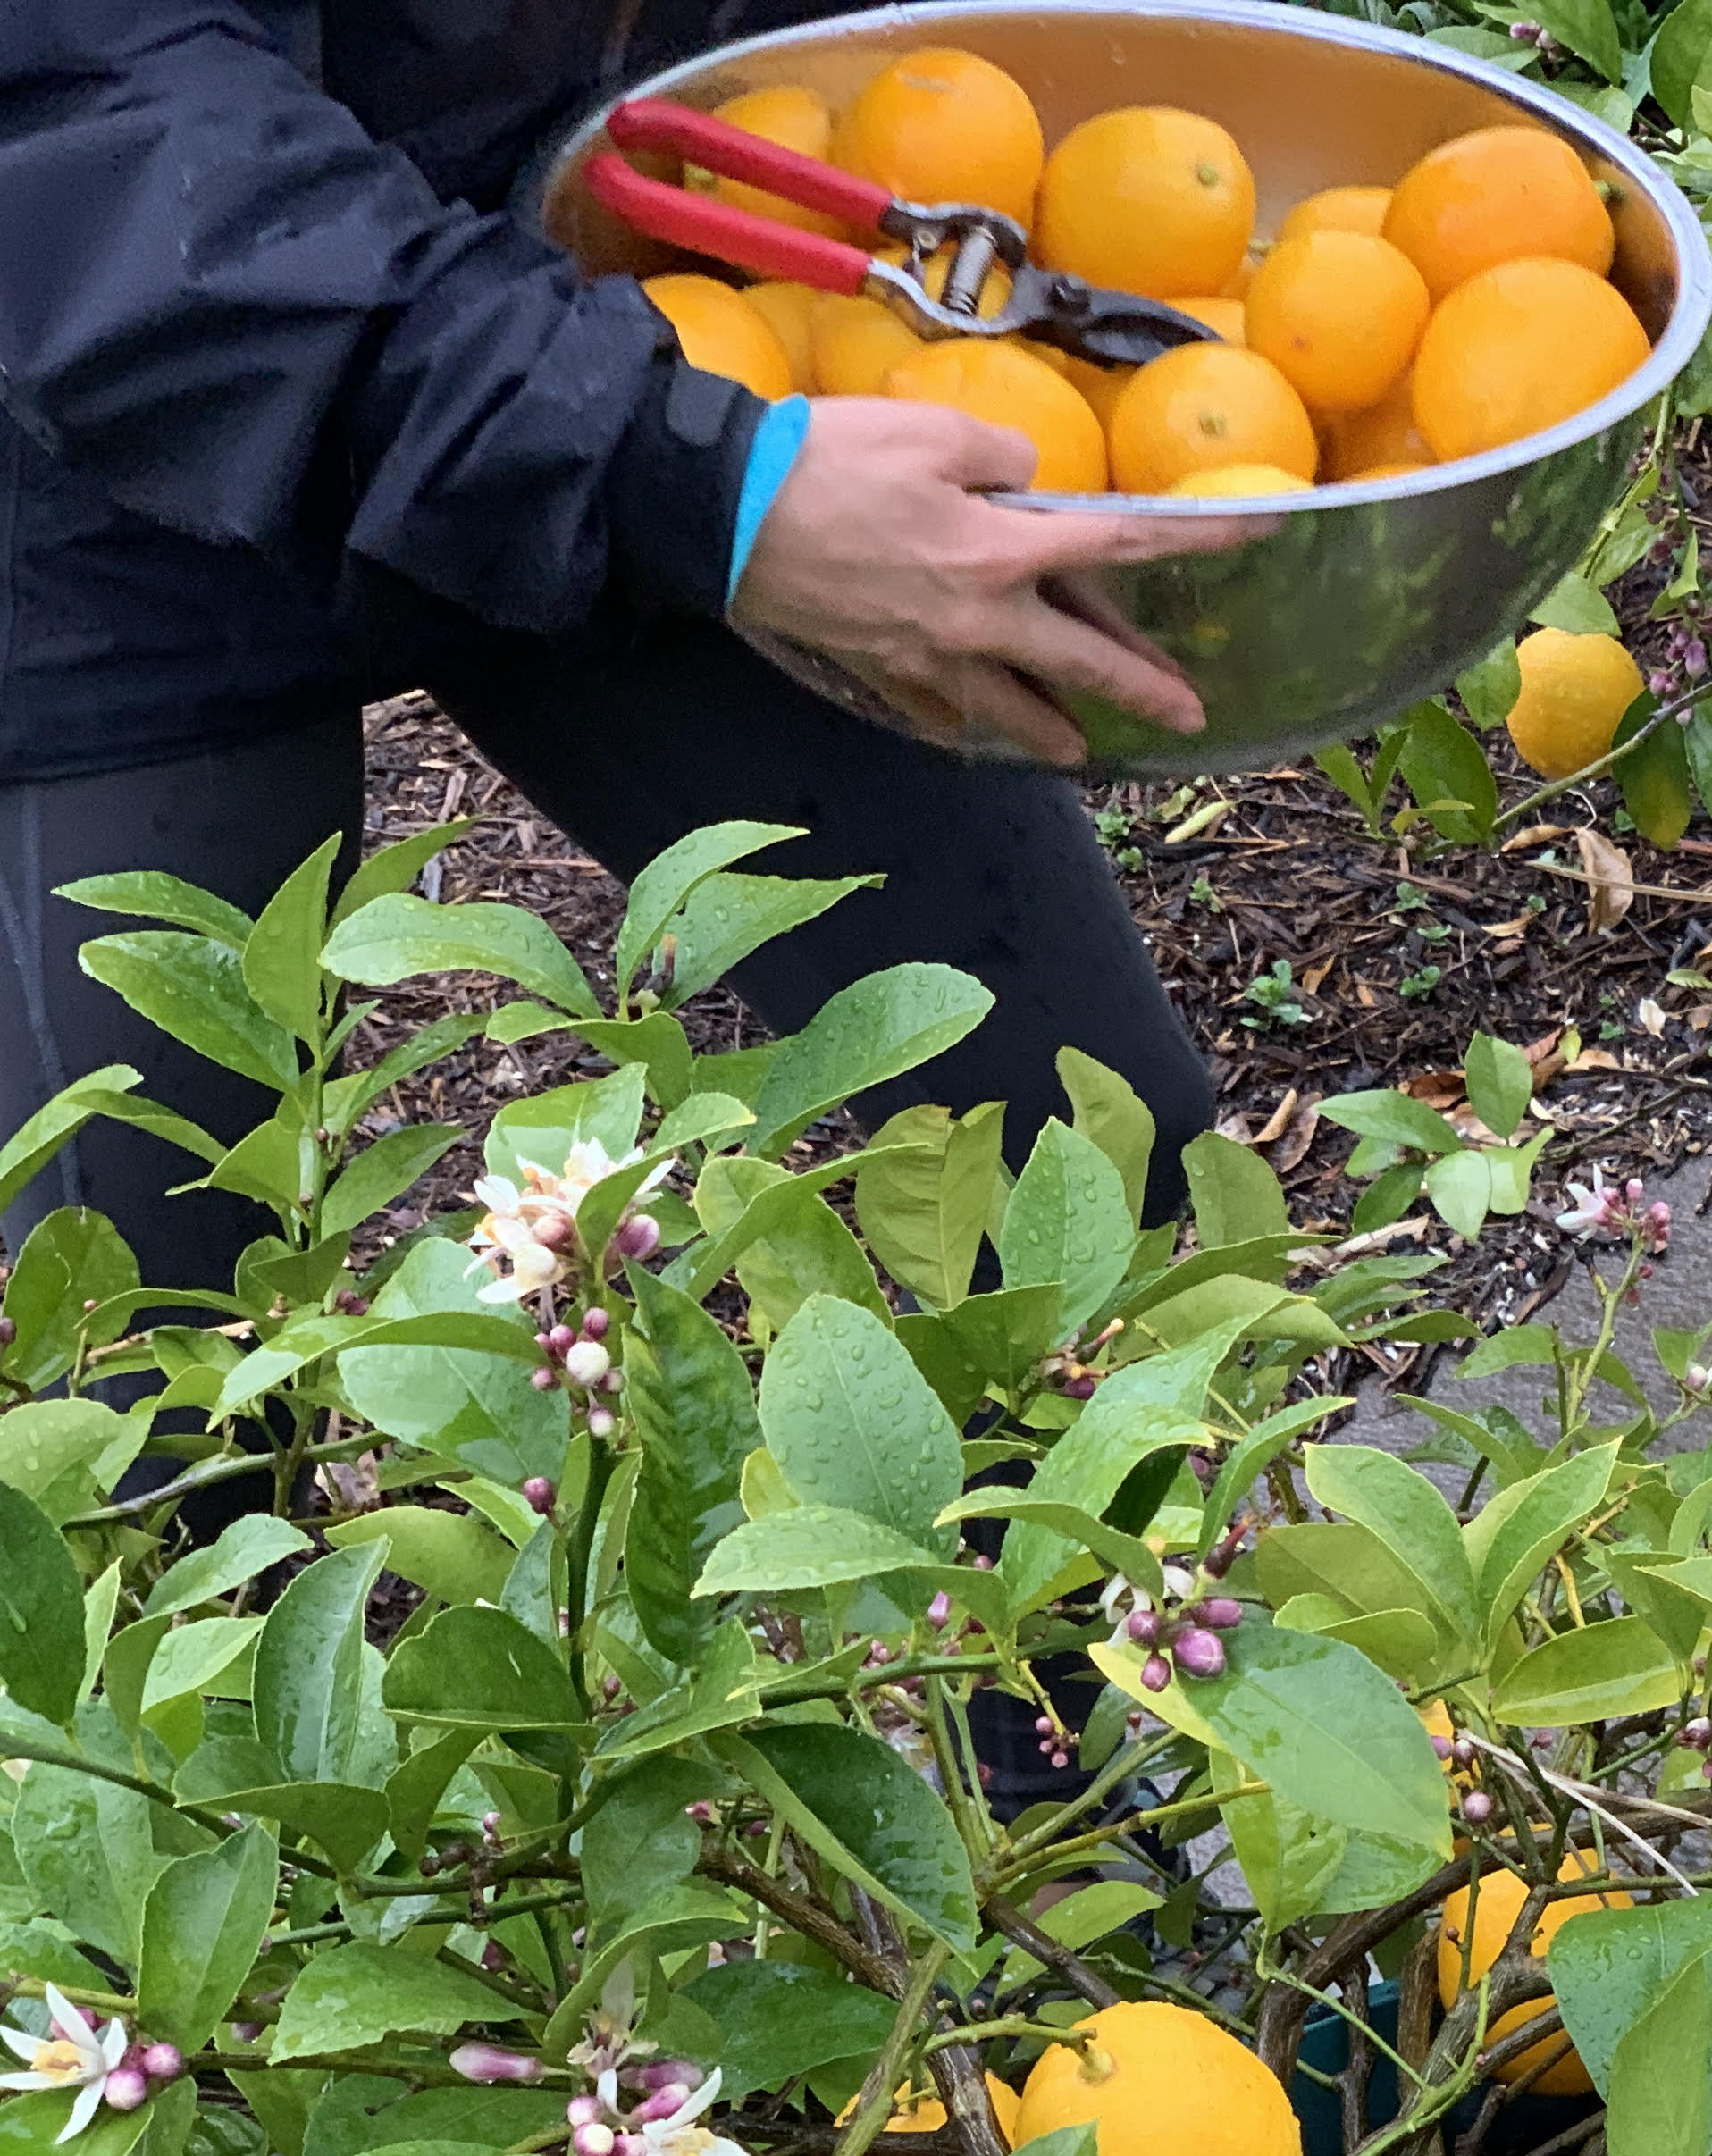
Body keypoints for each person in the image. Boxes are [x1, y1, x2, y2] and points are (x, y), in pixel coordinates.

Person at [0, 0, 1238, 1296]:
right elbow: (87, 107)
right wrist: (682, 481)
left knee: (1084, 1160)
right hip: (117, 477)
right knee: (170, 1367)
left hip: (635, 325)